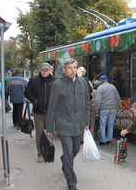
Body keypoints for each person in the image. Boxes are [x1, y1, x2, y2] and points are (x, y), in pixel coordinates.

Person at [46, 58, 90, 190]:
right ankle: (71, 182)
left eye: (74, 67)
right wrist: (49, 128)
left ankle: (65, 161)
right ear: (64, 70)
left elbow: (87, 104)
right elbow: (52, 107)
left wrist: (87, 122)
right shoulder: (58, 84)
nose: (72, 70)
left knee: (75, 149)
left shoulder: (82, 82)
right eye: (69, 68)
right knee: (69, 152)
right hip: (64, 124)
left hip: (78, 125)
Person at [25, 62, 56, 163]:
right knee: (39, 133)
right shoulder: (34, 80)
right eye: (43, 70)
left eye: (47, 70)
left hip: (51, 111)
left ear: (50, 70)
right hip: (38, 112)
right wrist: (35, 101)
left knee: (50, 132)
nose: (45, 72)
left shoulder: (55, 81)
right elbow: (27, 92)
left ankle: (49, 152)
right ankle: (41, 154)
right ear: (40, 70)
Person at [94, 75, 120, 146]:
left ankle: (103, 140)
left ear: (101, 81)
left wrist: (96, 110)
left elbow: (97, 101)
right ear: (107, 80)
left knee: (102, 124)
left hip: (104, 108)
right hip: (113, 108)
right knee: (111, 124)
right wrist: (116, 106)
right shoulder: (113, 87)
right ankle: (109, 139)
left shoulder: (100, 88)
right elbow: (118, 98)